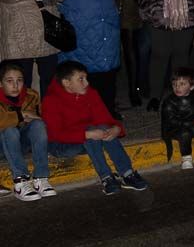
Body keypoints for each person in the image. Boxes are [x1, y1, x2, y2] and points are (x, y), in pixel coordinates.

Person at [42, 60, 149, 195]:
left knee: (103, 128)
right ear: (66, 83)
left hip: (87, 139)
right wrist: (87, 135)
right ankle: (105, 177)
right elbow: (56, 134)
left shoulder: (90, 93)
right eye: (81, 79)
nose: (86, 83)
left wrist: (116, 129)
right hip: (62, 145)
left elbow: (105, 120)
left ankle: (127, 173)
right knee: (91, 132)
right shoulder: (51, 100)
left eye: (86, 78)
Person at [0, 61, 56, 201]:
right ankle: (21, 181)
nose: (15, 85)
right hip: (3, 147)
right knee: (9, 130)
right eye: (9, 81)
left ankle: (40, 178)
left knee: (38, 125)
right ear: (0, 84)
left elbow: (40, 118)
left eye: (19, 80)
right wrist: (21, 115)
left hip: (22, 144)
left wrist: (35, 118)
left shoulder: (31, 95)